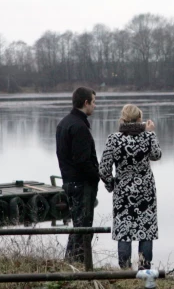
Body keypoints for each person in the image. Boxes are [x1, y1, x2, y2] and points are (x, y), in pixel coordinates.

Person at [99, 104, 162, 269]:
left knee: (124, 228)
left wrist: (112, 184)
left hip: (123, 190)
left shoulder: (114, 139)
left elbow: (104, 169)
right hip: (145, 190)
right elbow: (156, 155)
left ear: (123, 119)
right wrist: (150, 133)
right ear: (139, 119)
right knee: (146, 228)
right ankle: (144, 268)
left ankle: (125, 269)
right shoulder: (147, 137)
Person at [55, 87, 100, 263]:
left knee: (78, 226)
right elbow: (82, 161)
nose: (95, 106)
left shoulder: (64, 123)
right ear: (86, 102)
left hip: (69, 182)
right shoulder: (79, 127)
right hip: (81, 184)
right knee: (83, 227)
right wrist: (97, 176)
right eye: (94, 102)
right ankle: (80, 266)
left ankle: (71, 264)